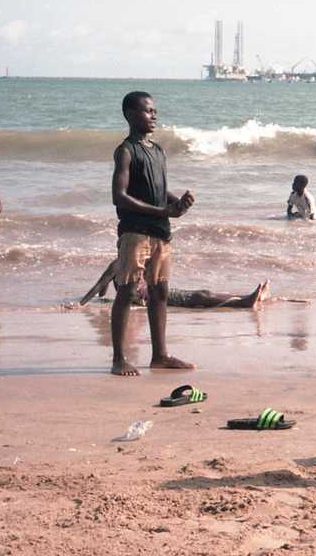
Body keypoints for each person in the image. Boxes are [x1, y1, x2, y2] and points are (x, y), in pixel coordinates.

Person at [108, 91, 194, 376]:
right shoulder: (126, 150)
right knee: (128, 290)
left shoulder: (158, 151)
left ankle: (160, 355)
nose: (154, 115)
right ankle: (119, 358)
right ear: (131, 115)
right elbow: (119, 197)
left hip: (160, 231)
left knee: (160, 292)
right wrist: (162, 211)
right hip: (135, 232)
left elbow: (158, 191)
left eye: (155, 110)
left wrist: (176, 204)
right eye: (148, 111)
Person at [78, 262, 279, 309]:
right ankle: (244, 302)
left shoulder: (122, 263)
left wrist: (104, 291)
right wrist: (81, 304)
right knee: (200, 297)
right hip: (147, 299)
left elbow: (101, 288)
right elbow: (99, 286)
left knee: (203, 293)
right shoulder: (119, 263)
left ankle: (249, 296)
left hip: (152, 294)